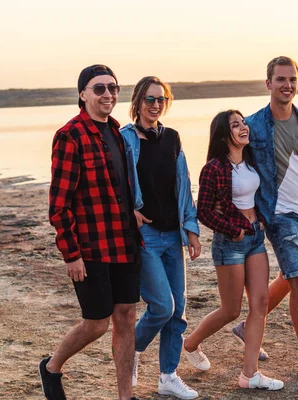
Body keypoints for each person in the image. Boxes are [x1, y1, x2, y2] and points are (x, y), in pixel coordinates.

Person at [234, 56, 298, 385]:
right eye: (280, 79)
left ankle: (247, 325)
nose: (287, 85)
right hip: (278, 218)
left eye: (292, 79)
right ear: (268, 84)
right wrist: (250, 213)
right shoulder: (253, 125)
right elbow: (239, 170)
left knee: (291, 277)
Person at [40, 64, 141, 400]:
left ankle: (125, 395)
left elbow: (123, 189)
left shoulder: (117, 132)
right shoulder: (70, 136)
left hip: (125, 243)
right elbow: (59, 204)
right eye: (99, 89)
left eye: (113, 88)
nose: (108, 94)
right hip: (91, 248)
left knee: (126, 317)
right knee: (97, 323)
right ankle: (52, 367)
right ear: (83, 94)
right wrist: (71, 254)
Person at [183, 110, 284, 391]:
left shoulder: (252, 161)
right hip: (231, 243)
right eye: (235, 125)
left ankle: (249, 374)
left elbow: (260, 195)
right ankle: (190, 343)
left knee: (260, 305)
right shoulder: (214, 168)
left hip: (255, 239)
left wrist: (259, 218)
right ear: (223, 134)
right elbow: (203, 211)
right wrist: (233, 229)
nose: (244, 128)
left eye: (244, 123)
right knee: (230, 310)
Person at [119, 76, 201, 400]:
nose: (155, 105)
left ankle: (168, 376)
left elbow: (184, 185)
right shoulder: (125, 139)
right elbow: (113, 180)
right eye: (150, 99)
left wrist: (191, 229)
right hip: (146, 237)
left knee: (177, 309)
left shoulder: (173, 138)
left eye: (161, 100)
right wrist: (129, 211)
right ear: (138, 102)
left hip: (173, 235)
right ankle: (132, 349)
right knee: (161, 306)